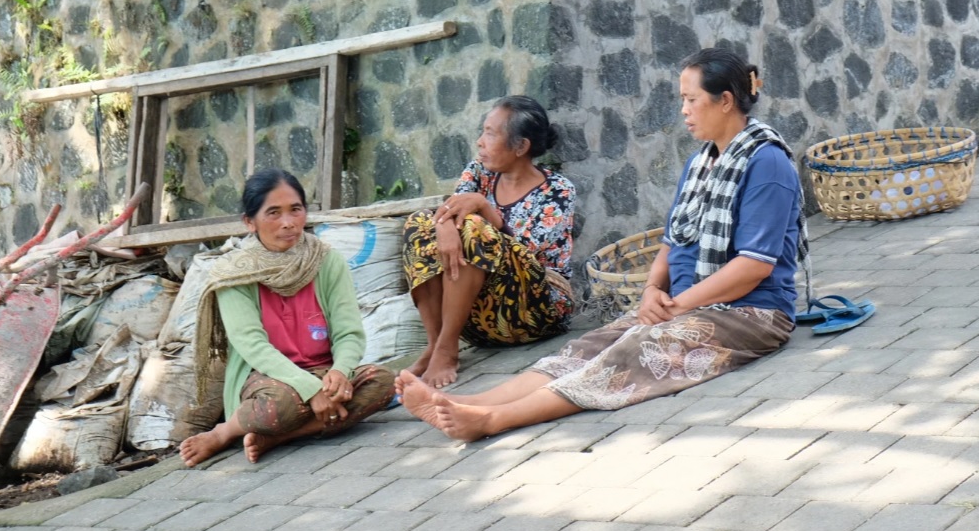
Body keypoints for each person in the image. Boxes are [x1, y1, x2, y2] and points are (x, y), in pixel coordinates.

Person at [397, 48, 809, 441]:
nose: (683, 109)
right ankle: (468, 401)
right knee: (591, 343)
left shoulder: (765, 162)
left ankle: (491, 419)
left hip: (751, 313)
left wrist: (676, 307)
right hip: (684, 302)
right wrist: (652, 290)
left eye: (691, 99)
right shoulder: (703, 161)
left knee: (637, 347)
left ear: (724, 101)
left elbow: (754, 266)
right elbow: (673, 240)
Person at [180, 169, 394, 466]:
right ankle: (224, 432)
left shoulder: (326, 259)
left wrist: (341, 372)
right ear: (249, 222)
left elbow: (349, 331)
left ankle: (281, 437)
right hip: (268, 380)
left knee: (382, 382)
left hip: (324, 370)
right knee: (278, 407)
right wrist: (310, 390)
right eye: (273, 213)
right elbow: (252, 345)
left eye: (296, 210)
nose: (288, 223)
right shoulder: (233, 273)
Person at [402, 95, 576, 388]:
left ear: (521, 147)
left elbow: (524, 255)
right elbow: (452, 209)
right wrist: (443, 224)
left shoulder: (558, 191)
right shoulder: (478, 172)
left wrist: (484, 208)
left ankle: (447, 349)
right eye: (483, 131)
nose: (480, 141)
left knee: (474, 228)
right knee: (419, 223)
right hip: (478, 320)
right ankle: (437, 344)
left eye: (491, 133)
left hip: (532, 314)